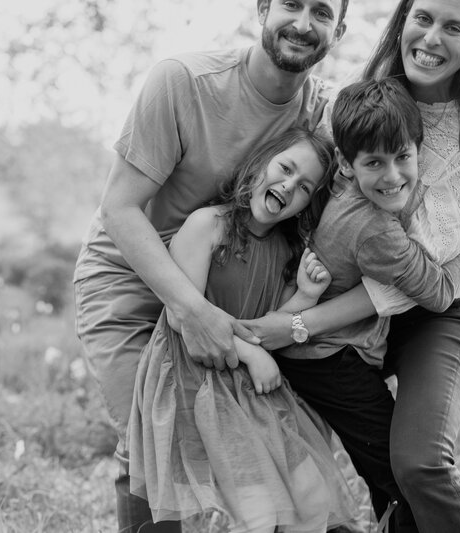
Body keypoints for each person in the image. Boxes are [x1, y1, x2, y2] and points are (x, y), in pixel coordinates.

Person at [73, 1, 348, 530]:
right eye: (291, 3)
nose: (303, 22)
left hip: (235, 286)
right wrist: (190, 310)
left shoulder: (321, 116)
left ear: (339, 29)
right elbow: (119, 209)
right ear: (263, 8)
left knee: (264, 439)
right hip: (132, 273)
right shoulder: (182, 83)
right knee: (152, 437)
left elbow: (387, 146)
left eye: (322, 11)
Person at [240, 0, 460, 531]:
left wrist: (295, 324)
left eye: (454, 27)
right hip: (351, 314)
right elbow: (310, 178)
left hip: (441, 309)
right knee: (367, 464)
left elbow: (422, 280)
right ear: (402, 22)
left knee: (417, 463)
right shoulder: (365, 101)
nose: (432, 38)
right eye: (423, 18)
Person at [273, 77, 460, 532]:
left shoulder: (343, 186)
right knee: (395, 476)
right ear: (347, 164)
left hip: (332, 351)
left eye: (403, 157)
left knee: (386, 473)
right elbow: (435, 293)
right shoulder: (377, 232)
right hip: (330, 360)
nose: (393, 176)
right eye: (375, 162)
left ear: (419, 152)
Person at [128, 127, 362, 532]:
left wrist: (304, 298)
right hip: (198, 381)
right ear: (258, 165)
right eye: (285, 168)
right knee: (257, 514)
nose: (289, 186)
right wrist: (253, 354)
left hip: (252, 389)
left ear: (307, 203)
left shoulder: (285, 249)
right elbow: (184, 318)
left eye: (304, 187)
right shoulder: (208, 226)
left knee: (312, 497)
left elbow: (266, 329)